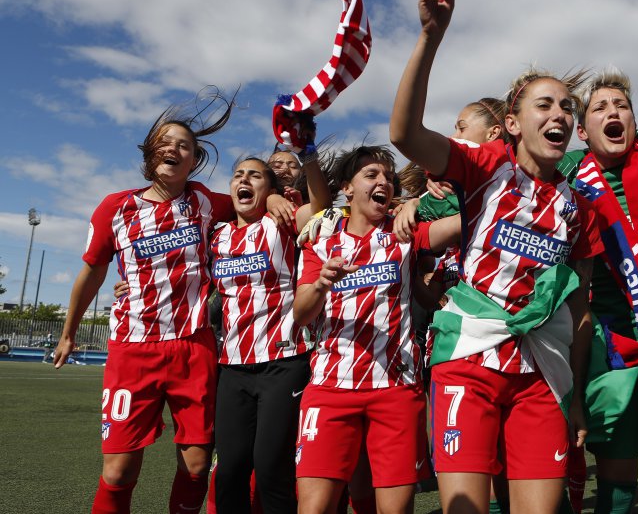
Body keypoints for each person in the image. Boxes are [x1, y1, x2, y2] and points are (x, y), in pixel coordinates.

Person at [389, 0, 603, 513]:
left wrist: (574, 396)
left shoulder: (580, 209)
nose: (559, 114)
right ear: (511, 122)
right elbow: (404, 135)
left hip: (543, 371)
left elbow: (580, 312)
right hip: (470, 356)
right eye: (544, 105)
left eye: (566, 109)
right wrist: (430, 39)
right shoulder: (485, 167)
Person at [53, 91, 290, 513]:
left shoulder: (203, 202)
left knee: (198, 466)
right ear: (150, 152)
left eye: (185, 145)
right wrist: (69, 333)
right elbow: (92, 271)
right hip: (133, 350)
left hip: (193, 348)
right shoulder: (116, 207)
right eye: (166, 141)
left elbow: (246, 203)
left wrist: (271, 196)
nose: (174, 149)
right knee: (118, 472)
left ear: (194, 160)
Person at [292, 145, 461, 514]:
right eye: (371, 175)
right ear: (347, 189)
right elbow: (301, 314)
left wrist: (418, 203)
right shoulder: (321, 240)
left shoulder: (406, 233)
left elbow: (469, 219)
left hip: (395, 391)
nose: (383, 181)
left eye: (388, 177)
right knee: (313, 508)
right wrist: (320, 283)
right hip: (330, 388)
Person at [209, 150, 329, 512]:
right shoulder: (215, 236)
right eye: (238, 174)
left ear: (271, 189)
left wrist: (304, 161)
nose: (244, 180)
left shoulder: (282, 223)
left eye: (255, 176)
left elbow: (321, 205)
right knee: (229, 471)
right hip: (232, 368)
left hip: (283, 362)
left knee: (271, 470)